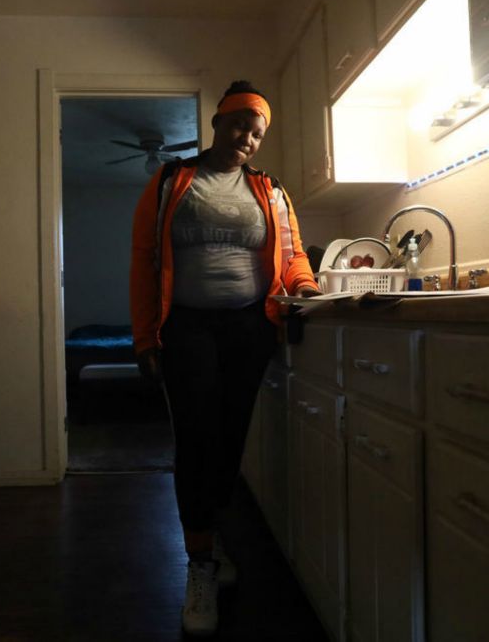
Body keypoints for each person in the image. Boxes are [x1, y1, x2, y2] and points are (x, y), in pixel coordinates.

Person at [129, 80, 320, 636]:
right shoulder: (170, 181)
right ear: (217, 123)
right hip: (186, 328)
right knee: (195, 442)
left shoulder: (270, 190)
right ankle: (201, 566)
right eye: (241, 125)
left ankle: (210, 545)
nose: (249, 138)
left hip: (248, 329)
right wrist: (144, 337)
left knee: (230, 442)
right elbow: (143, 260)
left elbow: (291, 253)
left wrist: (304, 286)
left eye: (258, 132)